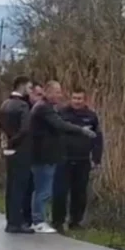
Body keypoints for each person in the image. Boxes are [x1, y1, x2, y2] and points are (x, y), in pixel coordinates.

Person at [29, 81, 96, 234]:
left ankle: (40, 218)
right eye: (57, 92)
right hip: (43, 156)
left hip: (56, 156)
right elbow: (60, 125)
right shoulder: (44, 108)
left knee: (45, 189)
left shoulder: (48, 108)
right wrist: (81, 130)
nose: (60, 96)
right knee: (44, 190)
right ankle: (38, 220)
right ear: (48, 92)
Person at [52, 87, 103, 231]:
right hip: (63, 158)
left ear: (85, 99)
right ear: (71, 98)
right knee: (60, 191)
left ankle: (75, 221)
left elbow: (98, 138)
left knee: (79, 192)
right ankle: (58, 221)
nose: (77, 101)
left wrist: (96, 158)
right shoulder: (62, 114)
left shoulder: (91, 116)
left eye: (80, 99)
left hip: (82, 159)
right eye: (74, 98)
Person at [0, 75, 35, 234]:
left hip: (8, 149)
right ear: (22, 86)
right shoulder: (22, 106)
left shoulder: (5, 104)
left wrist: (4, 143)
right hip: (21, 150)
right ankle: (17, 222)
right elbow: (25, 128)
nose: (30, 90)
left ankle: (10, 220)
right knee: (20, 186)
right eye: (29, 87)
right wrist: (15, 141)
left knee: (11, 185)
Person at [22, 81, 44, 228]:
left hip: (37, 154)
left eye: (42, 95)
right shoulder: (25, 109)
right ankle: (25, 218)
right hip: (25, 153)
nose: (40, 98)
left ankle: (28, 218)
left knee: (33, 187)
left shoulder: (41, 109)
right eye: (38, 94)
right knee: (26, 186)